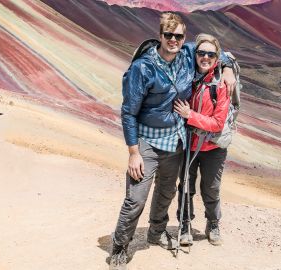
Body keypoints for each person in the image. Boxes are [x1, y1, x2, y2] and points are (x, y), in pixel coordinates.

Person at [110, 12, 236, 269]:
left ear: (184, 38)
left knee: (166, 192)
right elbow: (129, 112)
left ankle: (157, 233)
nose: (174, 40)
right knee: (136, 198)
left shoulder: (188, 55)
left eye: (178, 36)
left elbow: (216, 53)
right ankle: (120, 247)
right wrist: (133, 152)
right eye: (169, 35)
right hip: (147, 141)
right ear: (160, 35)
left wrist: (227, 70)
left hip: (176, 143)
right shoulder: (142, 68)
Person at [173, 33, 230, 247]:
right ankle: (185, 224)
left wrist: (191, 116)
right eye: (201, 53)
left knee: (211, 188)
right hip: (188, 144)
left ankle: (213, 223)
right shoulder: (188, 78)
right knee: (186, 185)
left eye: (210, 54)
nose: (205, 57)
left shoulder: (221, 85)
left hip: (212, 147)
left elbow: (217, 123)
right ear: (195, 55)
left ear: (217, 59)